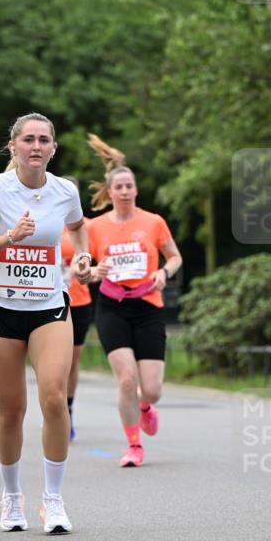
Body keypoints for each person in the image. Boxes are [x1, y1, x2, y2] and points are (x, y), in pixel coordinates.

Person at [0, 112, 92, 534]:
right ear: (13, 147)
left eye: (44, 140)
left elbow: (78, 225)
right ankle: (12, 497)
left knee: (54, 398)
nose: (36, 147)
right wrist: (9, 238)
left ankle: (53, 501)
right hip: (1, 309)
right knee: (11, 409)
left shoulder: (65, 191)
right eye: (28, 140)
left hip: (50, 307)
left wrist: (84, 255)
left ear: (54, 148)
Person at [87, 135, 182, 468]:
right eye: (119, 187)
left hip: (148, 306)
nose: (125, 191)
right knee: (126, 379)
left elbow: (174, 257)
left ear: (136, 190)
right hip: (112, 307)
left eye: (130, 186)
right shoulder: (95, 227)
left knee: (151, 389)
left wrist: (163, 274)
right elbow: (79, 267)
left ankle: (145, 407)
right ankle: (133, 445)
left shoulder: (153, 222)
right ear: (110, 192)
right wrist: (93, 269)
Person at [59, 179, 93, 440]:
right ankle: (54, 408)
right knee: (53, 363)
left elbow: (104, 261)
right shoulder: (42, 221)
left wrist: (91, 270)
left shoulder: (86, 227)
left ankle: (67, 409)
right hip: (47, 301)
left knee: (72, 362)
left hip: (79, 301)